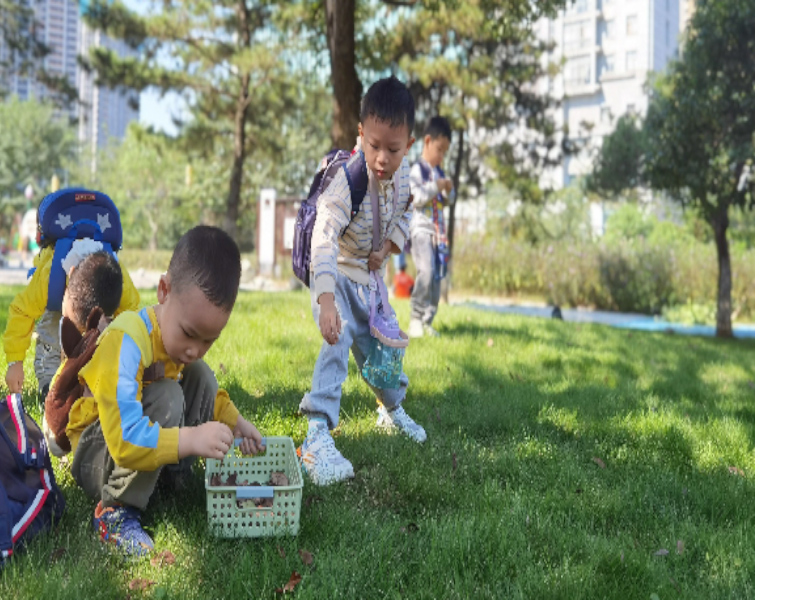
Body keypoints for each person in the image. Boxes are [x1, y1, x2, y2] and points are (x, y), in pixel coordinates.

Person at [66, 226, 264, 557]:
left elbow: (206, 391)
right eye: (190, 333)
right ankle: (115, 510)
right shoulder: (127, 341)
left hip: (127, 447)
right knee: (168, 395)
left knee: (199, 374)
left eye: (209, 340)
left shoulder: (177, 345)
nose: (195, 349)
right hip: (98, 454)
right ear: (163, 290)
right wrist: (190, 440)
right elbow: (125, 439)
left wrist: (237, 423)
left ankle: (167, 481)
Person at [299, 75, 427, 486]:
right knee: (335, 348)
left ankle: (391, 411)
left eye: (393, 149)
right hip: (337, 275)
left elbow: (409, 211)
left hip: (371, 283)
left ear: (409, 144)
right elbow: (323, 233)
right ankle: (316, 435)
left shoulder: (406, 175)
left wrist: (390, 245)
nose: (382, 158)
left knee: (382, 356)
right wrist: (325, 301)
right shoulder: (348, 178)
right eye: (373, 145)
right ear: (360, 135)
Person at [3, 232, 140, 406]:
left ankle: (89, 376)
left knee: (103, 337)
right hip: (56, 298)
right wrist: (15, 362)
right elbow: (21, 311)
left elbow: (132, 316)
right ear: (71, 273)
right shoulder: (48, 278)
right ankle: (49, 383)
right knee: (52, 330)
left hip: (90, 307)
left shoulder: (120, 284)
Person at [42, 251, 124, 458]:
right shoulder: (124, 337)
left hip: (96, 451)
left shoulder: (78, 355)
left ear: (70, 276)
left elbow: (54, 438)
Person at [408, 116, 453, 338]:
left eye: (445, 152)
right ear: (427, 142)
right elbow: (416, 197)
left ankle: (428, 320)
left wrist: (447, 190)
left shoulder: (440, 173)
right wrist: (436, 186)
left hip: (438, 233)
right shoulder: (418, 170)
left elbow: (448, 200)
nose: (441, 155)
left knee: (436, 278)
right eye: (439, 149)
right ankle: (415, 317)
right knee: (426, 271)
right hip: (421, 229)